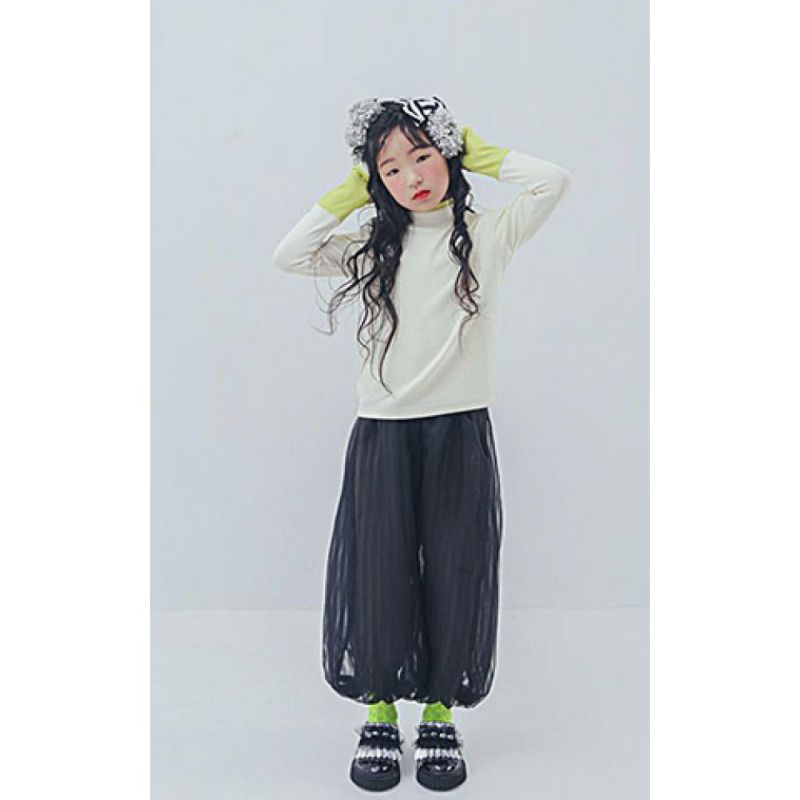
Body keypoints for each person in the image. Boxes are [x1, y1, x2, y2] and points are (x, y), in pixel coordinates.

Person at [273, 96, 572, 791]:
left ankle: (440, 711)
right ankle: (379, 710)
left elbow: (552, 181)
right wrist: (350, 192)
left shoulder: (487, 235)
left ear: (449, 156)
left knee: (456, 569)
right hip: (383, 430)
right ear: (375, 180)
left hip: (459, 428)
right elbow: (289, 255)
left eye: (423, 156)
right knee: (379, 571)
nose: (412, 177)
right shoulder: (372, 246)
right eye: (390, 168)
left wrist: (481, 150)